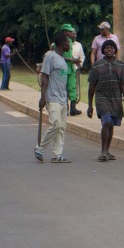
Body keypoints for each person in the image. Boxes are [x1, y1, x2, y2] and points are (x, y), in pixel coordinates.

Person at [87, 39, 124, 161]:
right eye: (106, 48)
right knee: (106, 122)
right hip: (101, 97)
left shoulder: (121, 65)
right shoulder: (97, 65)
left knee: (111, 125)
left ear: (115, 50)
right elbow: (92, 85)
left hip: (116, 98)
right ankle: (103, 151)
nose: (109, 50)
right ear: (103, 50)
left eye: (112, 48)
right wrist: (90, 105)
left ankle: (107, 150)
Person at [34, 33, 72, 163]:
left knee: (62, 128)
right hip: (52, 97)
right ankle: (40, 148)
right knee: (55, 124)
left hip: (62, 98)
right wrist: (42, 97)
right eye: (67, 42)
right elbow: (44, 77)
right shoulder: (50, 57)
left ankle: (57, 155)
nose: (69, 44)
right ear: (61, 44)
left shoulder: (62, 59)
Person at [60, 24, 82, 116]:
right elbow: (61, 56)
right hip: (63, 69)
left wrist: (75, 61)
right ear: (64, 32)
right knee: (64, 90)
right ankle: (65, 109)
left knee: (72, 88)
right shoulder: (59, 41)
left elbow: (69, 54)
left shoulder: (69, 41)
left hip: (71, 69)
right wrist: (73, 60)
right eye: (69, 31)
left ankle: (73, 109)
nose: (71, 33)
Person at [70, 27, 86, 114]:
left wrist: (80, 64)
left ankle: (73, 108)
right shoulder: (63, 44)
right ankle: (65, 108)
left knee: (75, 88)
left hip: (75, 69)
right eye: (72, 34)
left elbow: (82, 56)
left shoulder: (78, 45)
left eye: (75, 34)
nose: (74, 35)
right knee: (65, 88)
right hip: (66, 69)